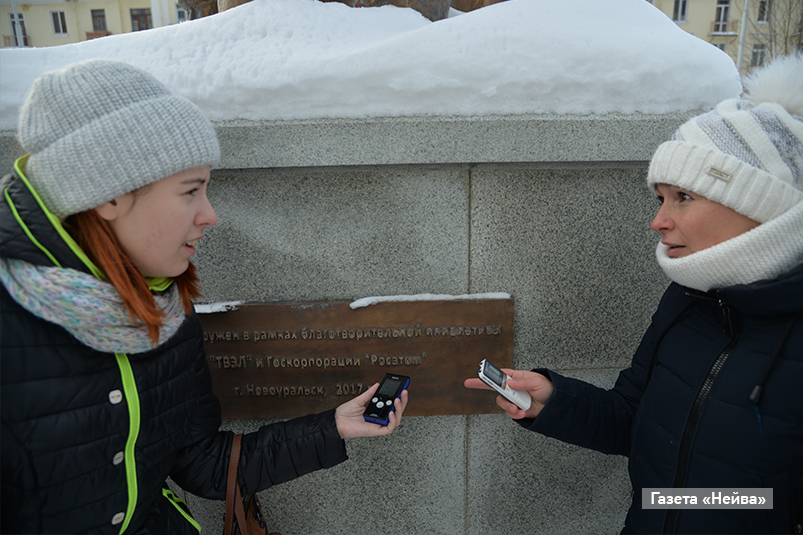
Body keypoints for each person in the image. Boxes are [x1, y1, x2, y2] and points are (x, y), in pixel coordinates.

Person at [0, 59, 408, 534]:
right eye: (191, 191)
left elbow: (203, 464)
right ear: (109, 196)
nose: (209, 215)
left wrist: (331, 426)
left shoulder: (167, 311)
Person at [466, 54, 802, 534]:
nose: (659, 220)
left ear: (757, 203)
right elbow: (634, 418)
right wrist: (553, 401)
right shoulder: (689, 300)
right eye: (660, 198)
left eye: (683, 197)